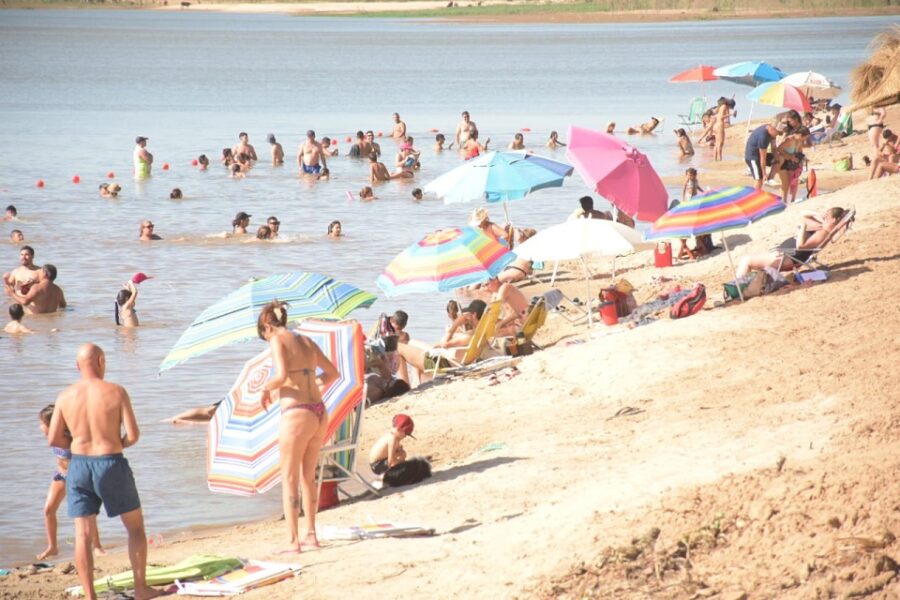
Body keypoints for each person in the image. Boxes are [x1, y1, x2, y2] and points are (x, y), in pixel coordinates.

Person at [48, 343, 160, 600]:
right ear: (101, 362)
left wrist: (76, 445)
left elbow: (53, 438)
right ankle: (141, 588)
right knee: (134, 528)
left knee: (83, 535)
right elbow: (133, 435)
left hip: (78, 465)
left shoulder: (64, 396)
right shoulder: (116, 391)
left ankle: (90, 596)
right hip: (110, 462)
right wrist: (116, 443)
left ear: (78, 366)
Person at [257, 301, 340, 554]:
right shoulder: (306, 341)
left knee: (290, 479)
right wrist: (311, 380)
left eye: (264, 334)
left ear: (268, 325)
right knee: (308, 477)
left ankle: (294, 542)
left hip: (296, 415)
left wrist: (266, 388)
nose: (266, 338)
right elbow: (332, 373)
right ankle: (311, 535)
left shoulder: (277, 340)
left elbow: (281, 375)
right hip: (318, 412)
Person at [37, 405, 105, 561]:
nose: (40, 427)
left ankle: (97, 546)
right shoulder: (52, 438)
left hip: (78, 477)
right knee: (48, 509)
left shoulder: (70, 439)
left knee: (88, 513)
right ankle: (52, 547)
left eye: (42, 423)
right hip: (61, 476)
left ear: (53, 424)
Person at [735, 207, 849, 278]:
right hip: (785, 253)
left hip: (788, 258)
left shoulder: (823, 233)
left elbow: (801, 246)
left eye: (827, 215)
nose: (824, 215)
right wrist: (818, 214)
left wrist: (802, 228)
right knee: (749, 261)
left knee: (746, 260)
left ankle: (738, 289)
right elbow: (803, 214)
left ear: (833, 220)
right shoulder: (820, 226)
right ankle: (743, 285)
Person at [395, 300, 487, 385]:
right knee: (412, 342)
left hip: (441, 364)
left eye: (467, 314)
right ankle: (416, 381)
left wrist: (456, 324)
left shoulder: (469, 336)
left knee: (398, 347)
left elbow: (444, 343)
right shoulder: (480, 333)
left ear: (474, 315)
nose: (465, 316)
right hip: (449, 360)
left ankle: (405, 386)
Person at [768, 127, 809, 203]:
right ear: (800, 135)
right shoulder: (789, 140)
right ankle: (783, 201)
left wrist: (802, 158)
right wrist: (790, 157)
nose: (804, 139)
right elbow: (778, 149)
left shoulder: (799, 141)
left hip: (791, 164)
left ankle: (787, 201)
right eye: (804, 137)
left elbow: (800, 152)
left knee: (790, 182)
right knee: (785, 183)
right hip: (783, 162)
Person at [745, 122, 780, 190]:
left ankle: (769, 180)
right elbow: (762, 157)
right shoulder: (763, 136)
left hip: (760, 156)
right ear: (771, 128)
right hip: (753, 157)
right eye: (777, 132)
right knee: (759, 179)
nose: (777, 135)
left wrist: (777, 159)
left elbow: (774, 148)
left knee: (780, 159)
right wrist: (764, 174)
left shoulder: (772, 133)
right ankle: (754, 197)